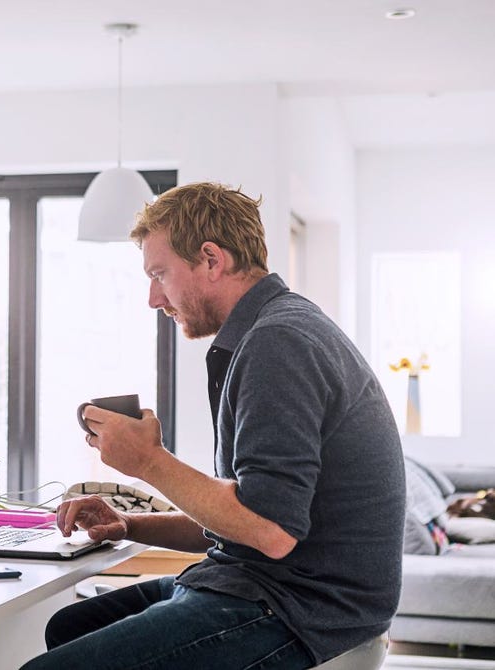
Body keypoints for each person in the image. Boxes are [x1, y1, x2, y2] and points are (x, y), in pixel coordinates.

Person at [21, 182, 405, 670]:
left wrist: (147, 462)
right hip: (264, 585)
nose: (153, 298)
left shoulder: (278, 343)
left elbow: (270, 531)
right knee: (67, 626)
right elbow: (245, 516)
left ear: (210, 260)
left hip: (302, 609)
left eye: (159, 274)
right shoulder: (272, 330)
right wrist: (130, 524)